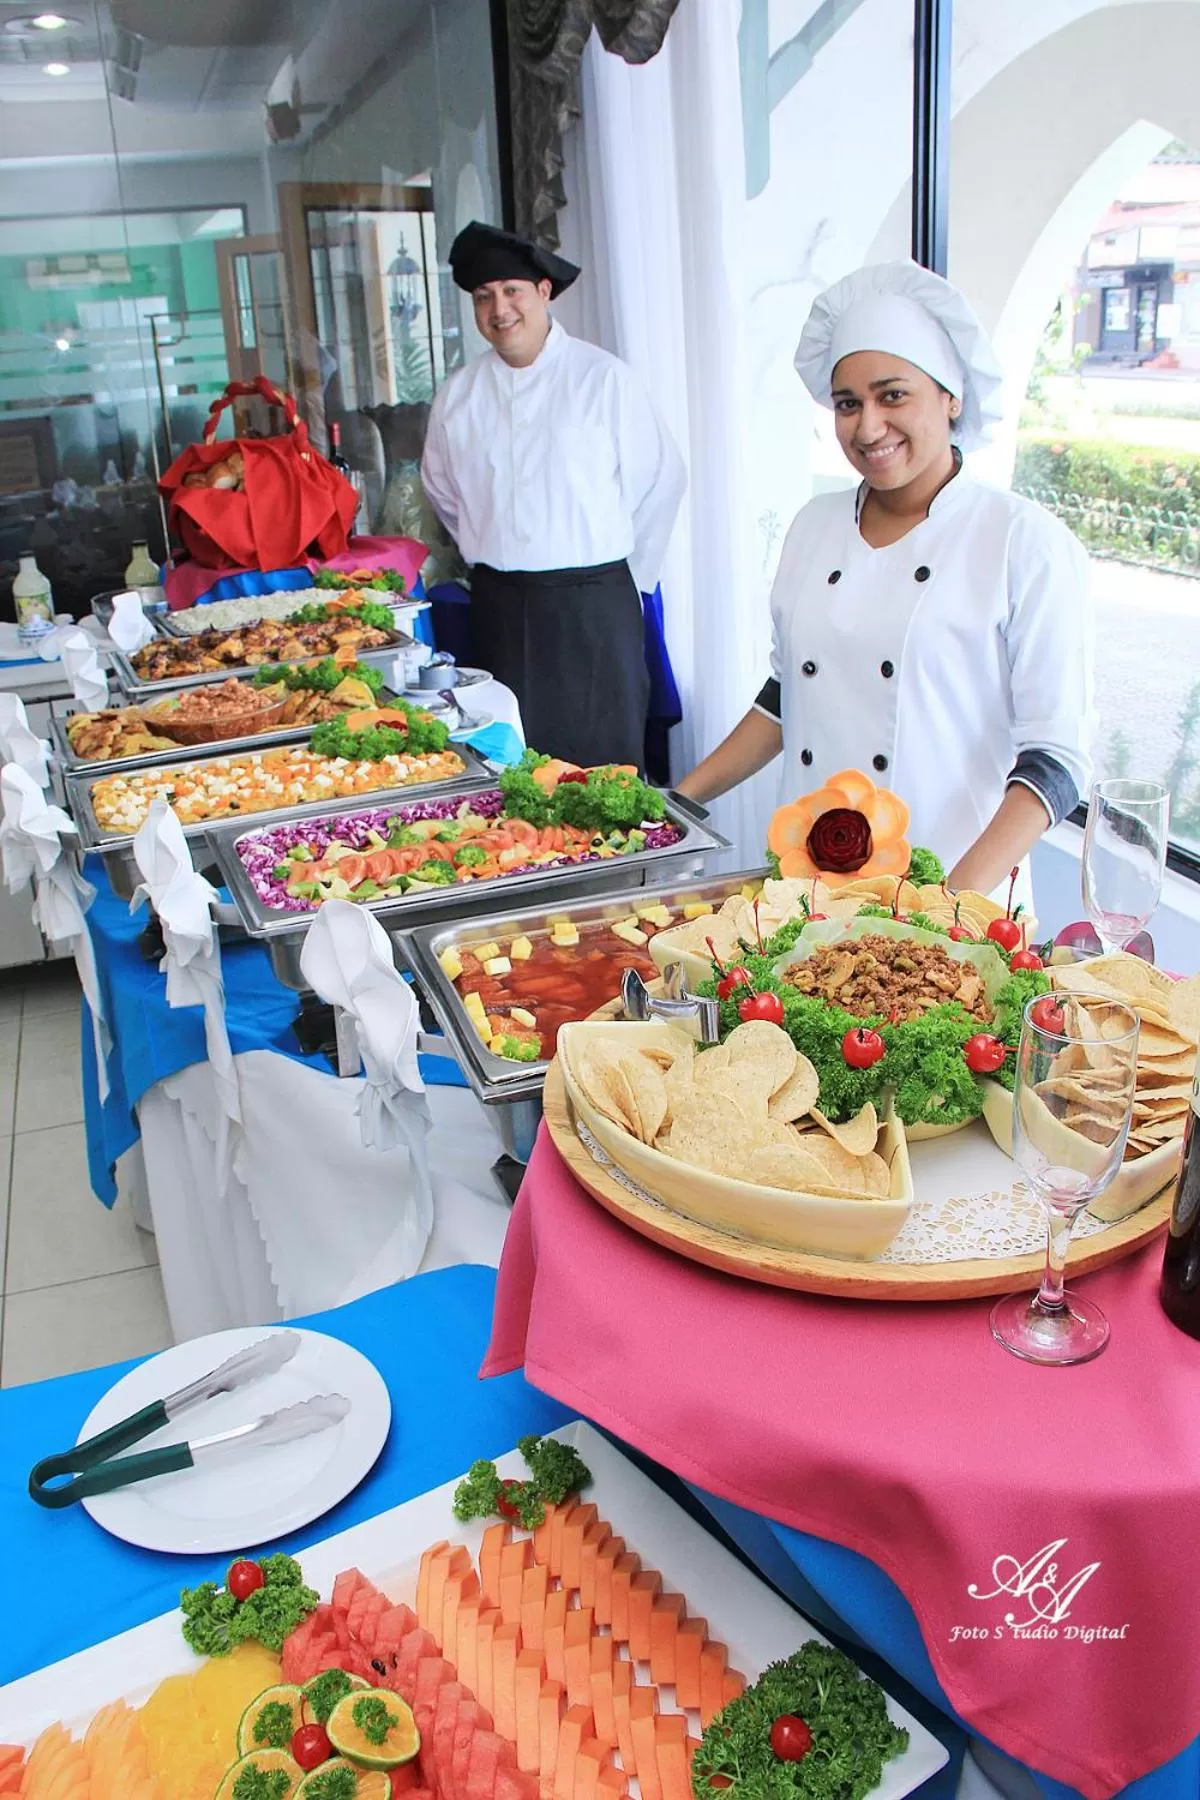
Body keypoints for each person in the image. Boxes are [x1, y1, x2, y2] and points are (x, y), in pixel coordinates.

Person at [677, 261, 1093, 902]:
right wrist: (676, 802)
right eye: (849, 404)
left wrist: (950, 906)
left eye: (892, 394)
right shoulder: (813, 526)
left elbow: (1057, 762)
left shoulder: (1021, 541)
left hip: (954, 899)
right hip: (806, 885)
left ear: (951, 397)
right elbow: (791, 692)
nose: (868, 427)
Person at [420, 221, 686, 770]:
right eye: (484, 297)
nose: (500, 310)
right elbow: (443, 492)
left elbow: (661, 482)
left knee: (602, 778)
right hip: (499, 607)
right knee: (511, 771)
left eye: (512, 291)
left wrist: (625, 583)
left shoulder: (604, 379)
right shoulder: (458, 396)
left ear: (544, 292)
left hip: (594, 606)